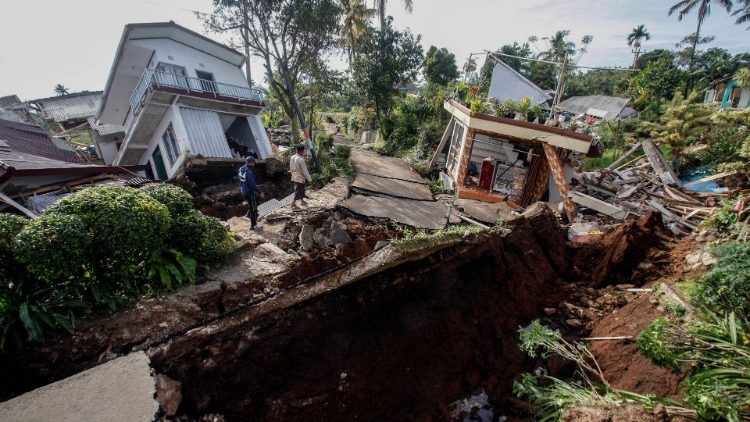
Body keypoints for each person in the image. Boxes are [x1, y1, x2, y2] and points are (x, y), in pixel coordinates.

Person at [238, 156, 264, 229]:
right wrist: (260, 192)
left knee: (255, 202)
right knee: (253, 209)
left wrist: (241, 188)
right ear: (251, 163)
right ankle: (254, 225)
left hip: (244, 191)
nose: (254, 165)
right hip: (249, 192)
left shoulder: (241, 169)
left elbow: (239, 180)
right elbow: (252, 185)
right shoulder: (249, 172)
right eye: (254, 163)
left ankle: (248, 214)